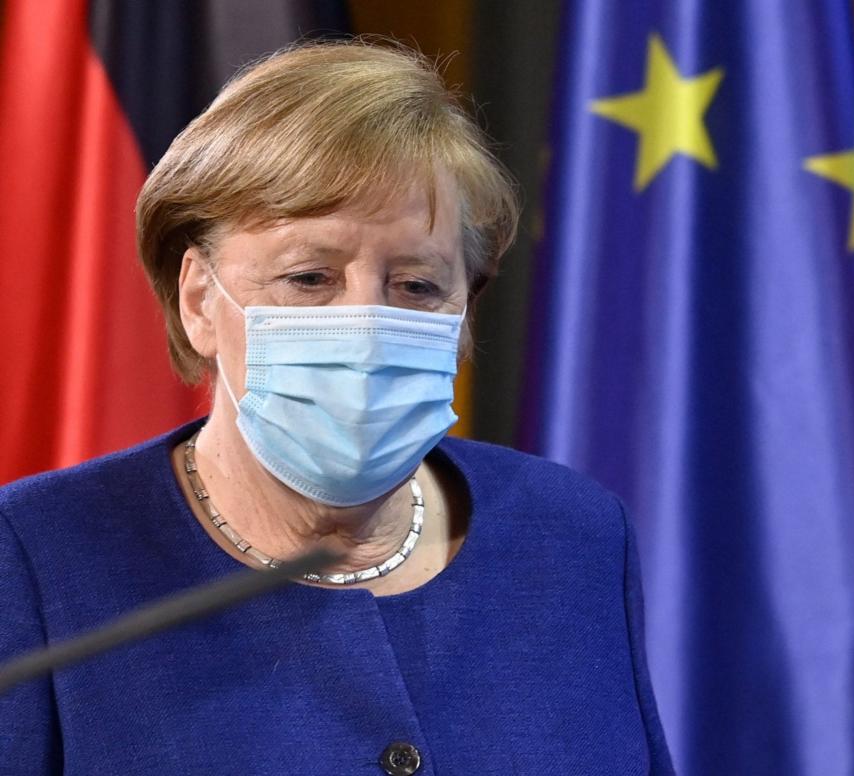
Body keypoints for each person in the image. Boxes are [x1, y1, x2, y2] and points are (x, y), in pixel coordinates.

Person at [0, 40, 674, 775]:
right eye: (310, 277)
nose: (364, 324)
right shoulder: (38, 557)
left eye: (417, 286)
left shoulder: (571, 534)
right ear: (199, 300)